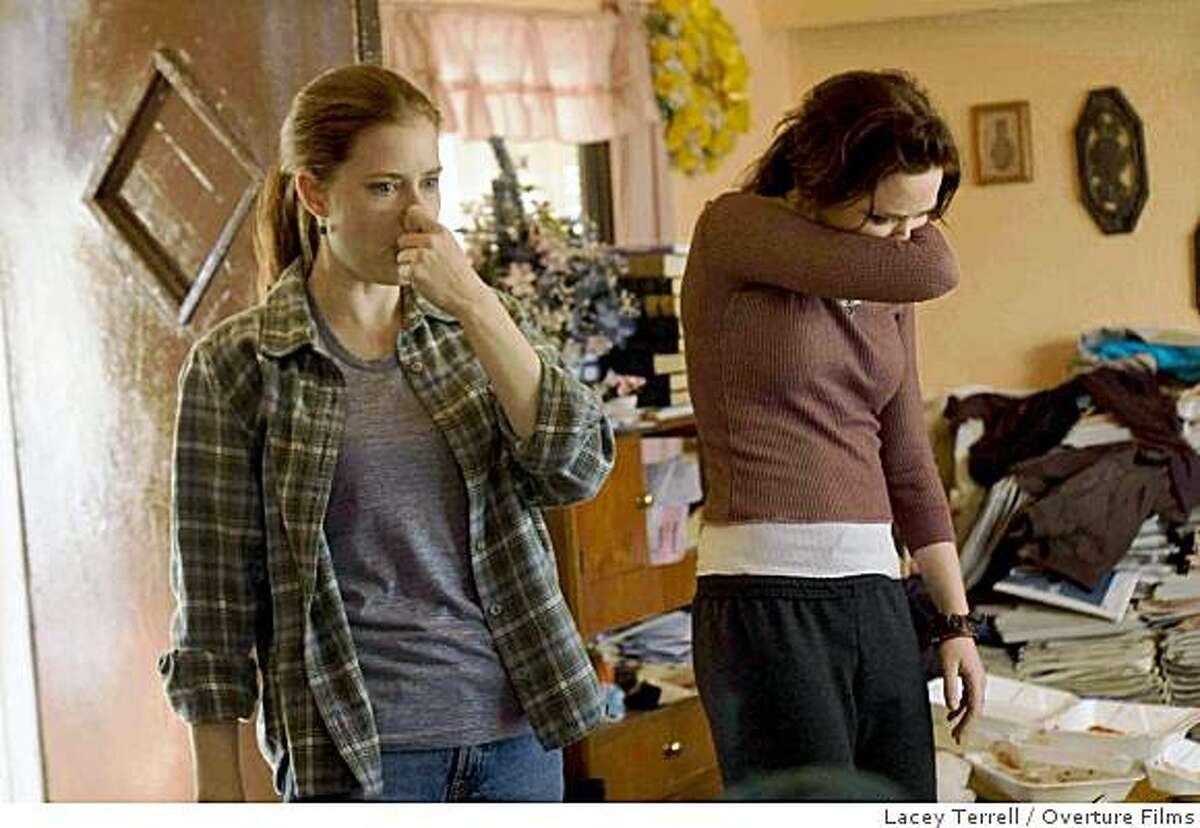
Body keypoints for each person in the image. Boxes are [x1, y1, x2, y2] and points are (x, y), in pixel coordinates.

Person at [157, 64, 614, 803]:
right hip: (360, 758)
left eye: (429, 182)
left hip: (518, 738)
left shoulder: (474, 329)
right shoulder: (239, 365)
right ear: (315, 195)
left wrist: (477, 304)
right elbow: (213, 601)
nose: (417, 215)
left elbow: (578, 469)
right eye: (384, 187)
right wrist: (218, 792)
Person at [681, 69, 986, 801]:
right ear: (820, 176)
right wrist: (911, 248)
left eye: (920, 221)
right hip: (764, 593)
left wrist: (955, 623)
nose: (906, 240)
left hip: (876, 592)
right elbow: (937, 267)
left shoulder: (887, 282)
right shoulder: (732, 230)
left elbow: (907, 460)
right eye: (884, 217)